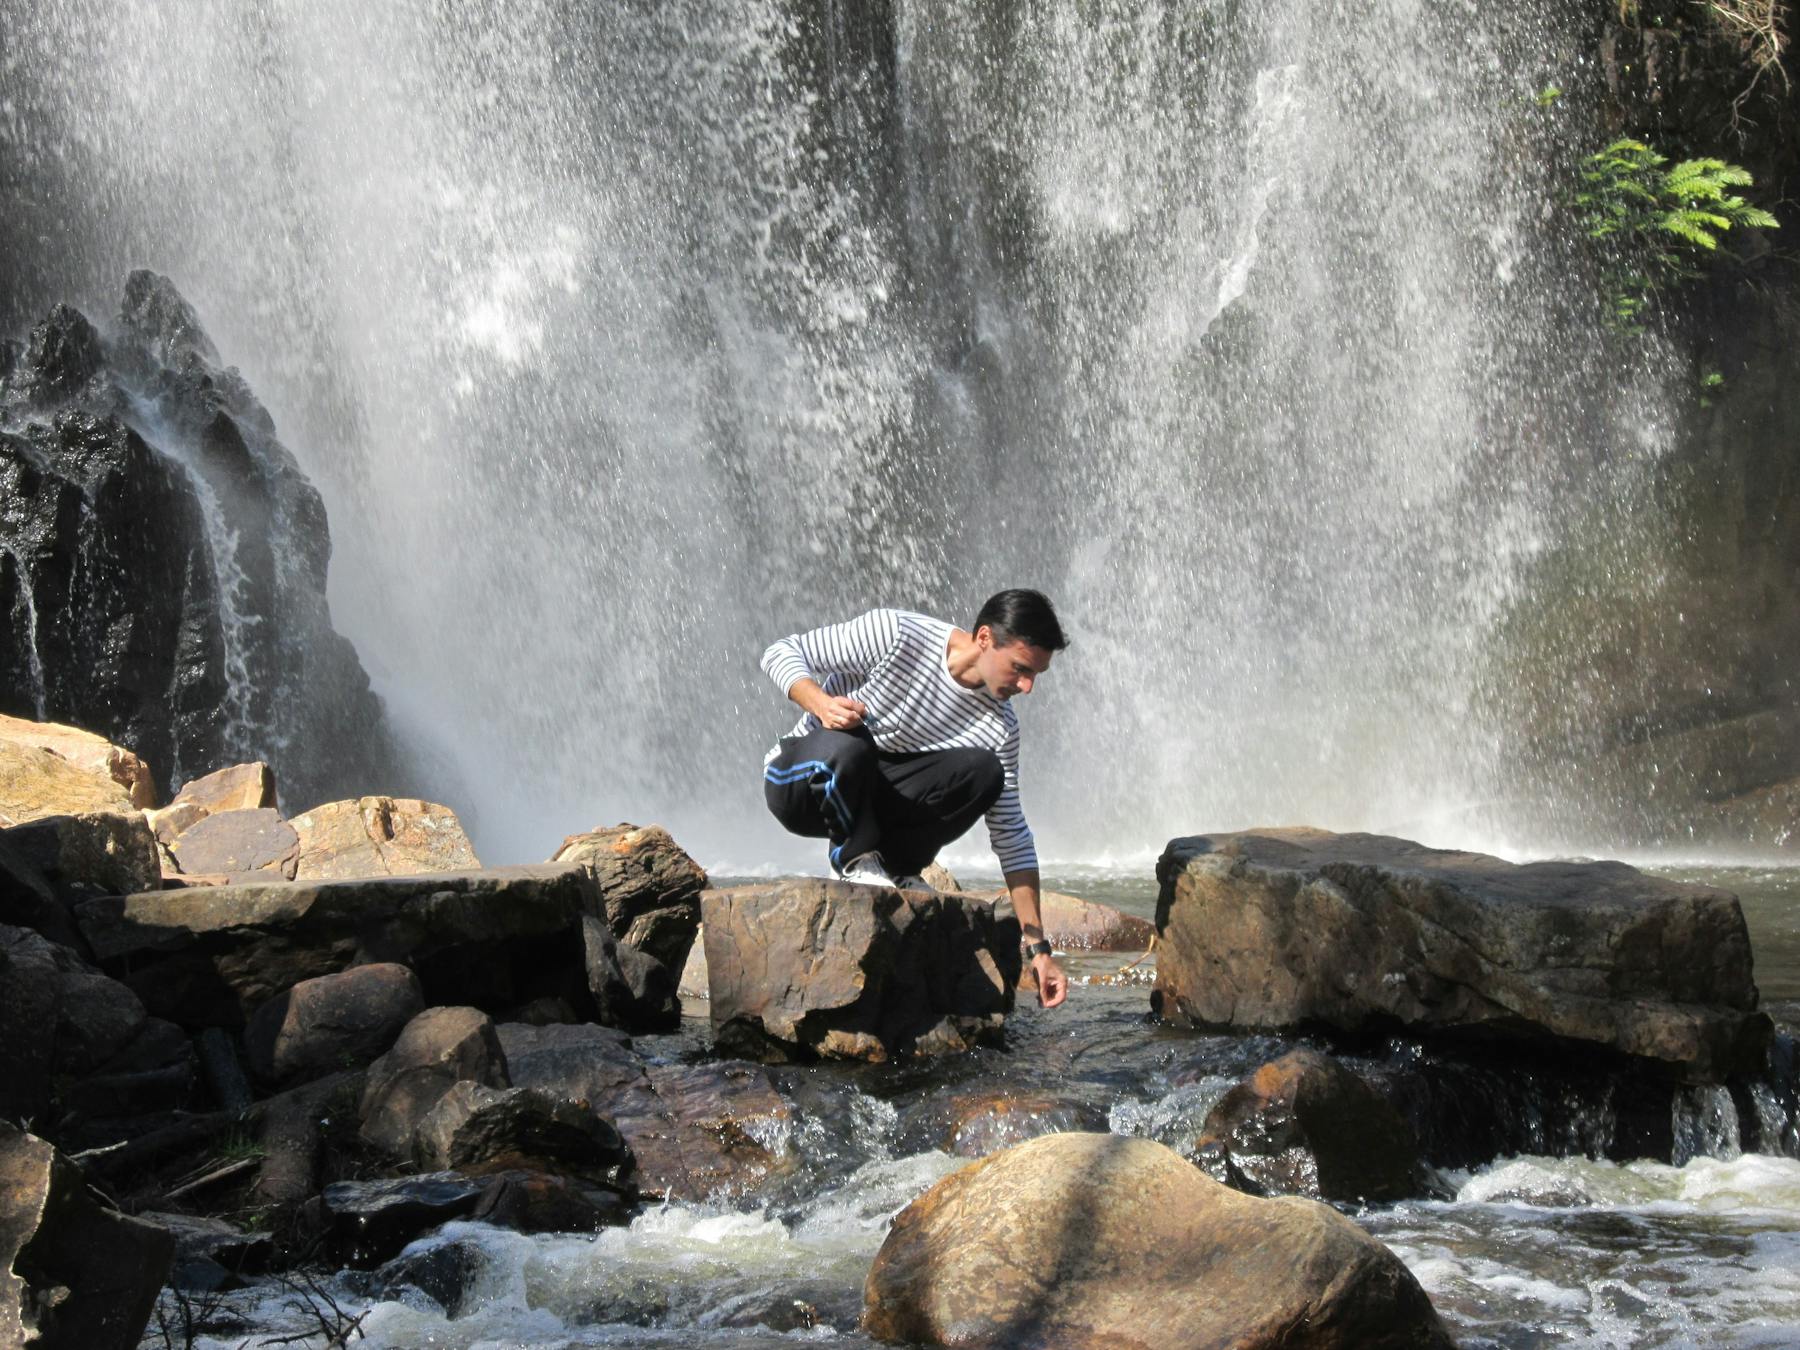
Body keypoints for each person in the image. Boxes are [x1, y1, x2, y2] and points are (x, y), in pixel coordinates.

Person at [759, 588, 1070, 1008]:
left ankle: (893, 867)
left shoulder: (999, 728)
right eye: (1020, 668)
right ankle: (852, 860)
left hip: (871, 796)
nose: (1027, 686)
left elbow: (1012, 836)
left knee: (985, 773)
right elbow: (781, 651)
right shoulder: (897, 634)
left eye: (1035, 675)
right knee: (852, 744)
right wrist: (822, 704)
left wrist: (1039, 949)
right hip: (802, 780)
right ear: (983, 639)